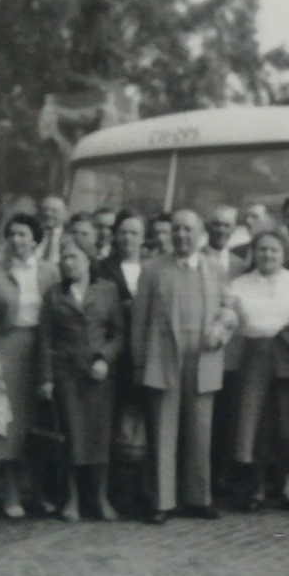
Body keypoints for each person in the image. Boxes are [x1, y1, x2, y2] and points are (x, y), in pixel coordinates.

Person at [130, 209, 235, 523]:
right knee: (163, 430)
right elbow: (139, 321)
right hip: (163, 357)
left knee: (199, 430)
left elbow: (229, 308)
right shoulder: (151, 270)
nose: (181, 236)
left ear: (200, 233)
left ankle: (197, 498)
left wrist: (222, 328)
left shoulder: (215, 269)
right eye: (176, 230)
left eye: (188, 230)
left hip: (203, 358)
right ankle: (162, 501)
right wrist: (138, 363)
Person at [225, 229, 289, 511]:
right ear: (254, 253)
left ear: (284, 254)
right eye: (262, 250)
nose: (267, 255)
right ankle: (257, 489)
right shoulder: (240, 285)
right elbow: (227, 316)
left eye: (274, 250)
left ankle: (287, 488)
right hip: (254, 359)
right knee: (256, 423)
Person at [38, 244, 124, 522]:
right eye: (63, 257)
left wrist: (105, 358)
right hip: (67, 375)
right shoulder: (54, 294)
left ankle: (100, 497)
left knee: (99, 438)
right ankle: (71, 499)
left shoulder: (107, 290)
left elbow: (118, 332)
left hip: (99, 376)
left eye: (74, 256)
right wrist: (47, 378)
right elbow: (44, 340)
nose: (67, 262)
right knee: (71, 438)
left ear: (88, 261)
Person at [0, 212, 56, 518]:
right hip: (10, 348)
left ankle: (39, 492)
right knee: (11, 426)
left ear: (35, 239)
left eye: (23, 234)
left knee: (40, 423)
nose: (17, 240)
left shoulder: (50, 272)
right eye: (12, 234)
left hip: (43, 350)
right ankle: (12, 493)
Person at [96, 210, 148, 512]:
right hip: (114, 356)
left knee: (142, 424)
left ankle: (141, 491)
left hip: (144, 355)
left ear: (143, 238)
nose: (128, 238)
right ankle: (109, 493)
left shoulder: (153, 268)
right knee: (112, 423)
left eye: (134, 233)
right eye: (123, 232)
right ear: (115, 235)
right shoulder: (102, 268)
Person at [202, 205, 249, 494]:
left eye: (227, 225)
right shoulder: (197, 260)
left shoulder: (241, 265)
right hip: (204, 349)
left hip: (233, 355)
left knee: (226, 418)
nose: (221, 230)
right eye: (216, 224)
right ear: (208, 227)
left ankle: (221, 479)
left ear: (234, 229)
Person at [230, 201, 274, 265]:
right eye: (246, 217)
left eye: (254, 216)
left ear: (270, 219)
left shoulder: (285, 250)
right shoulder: (236, 253)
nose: (248, 221)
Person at [36, 195, 67, 264]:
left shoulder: (70, 238)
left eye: (54, 211)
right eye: (44, 210)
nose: (48, 214)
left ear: (64, 214)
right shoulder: (32, 234)